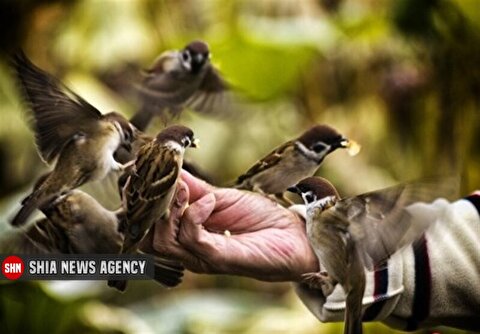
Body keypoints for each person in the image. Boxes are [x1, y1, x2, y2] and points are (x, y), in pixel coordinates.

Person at [147, 171, 480, 332]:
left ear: (310, 198)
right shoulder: (324, 219)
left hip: (355, 279)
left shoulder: (340, 213)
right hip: (354, 276)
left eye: (301, 193)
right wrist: (308, 249)